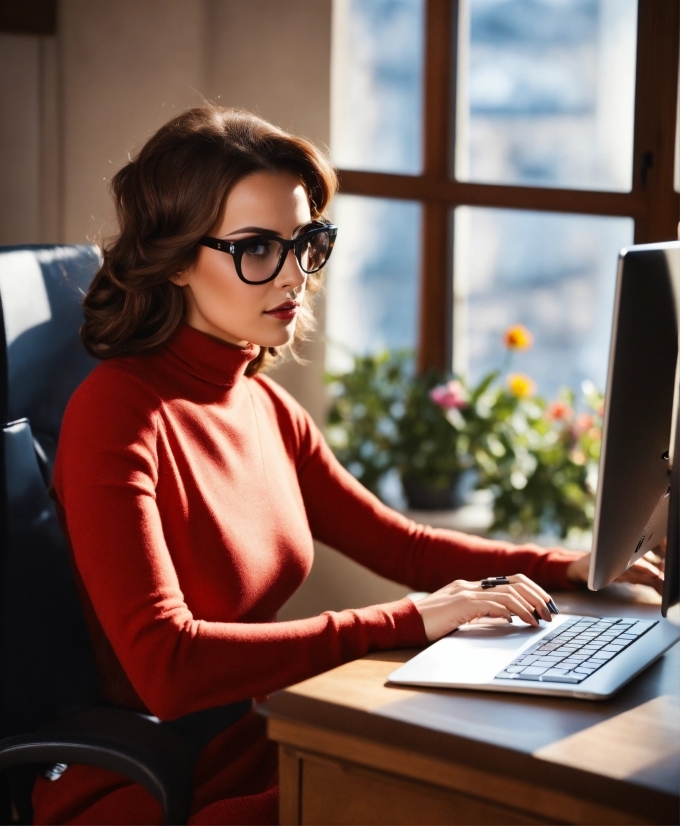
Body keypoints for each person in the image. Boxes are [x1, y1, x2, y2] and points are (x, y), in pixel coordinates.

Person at [32, 106, 663, 826]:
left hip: (261, 737)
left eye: (307, 243)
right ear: (176, 259)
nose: (295, 276)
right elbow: (168, 667)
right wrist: (409, 620)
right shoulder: (115, 416)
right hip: (168, 784)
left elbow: (401, 544)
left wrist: (567, 566)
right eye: (258, 249)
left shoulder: (260, 403)